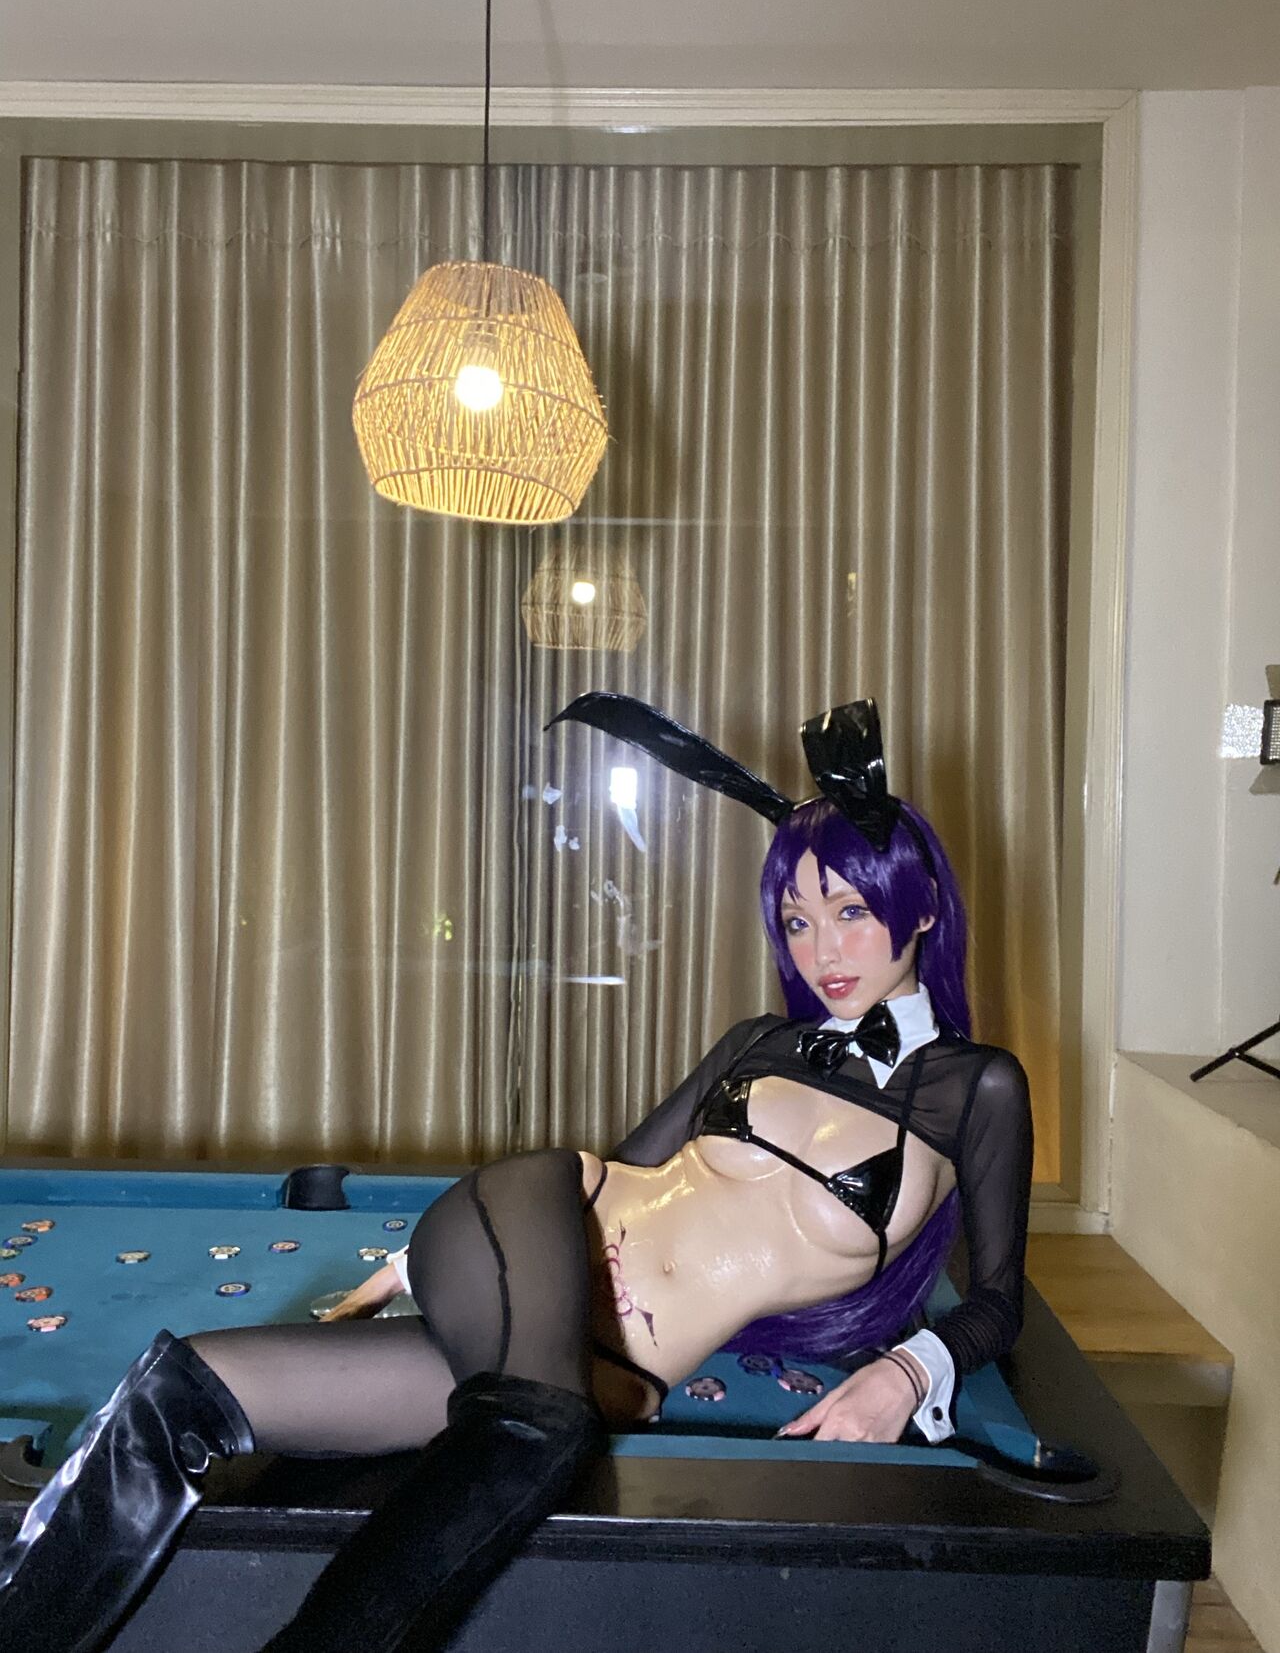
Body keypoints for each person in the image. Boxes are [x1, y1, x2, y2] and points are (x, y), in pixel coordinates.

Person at [0, 695, 1033, 1653]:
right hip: (540, 1224)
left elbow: (996, 1302)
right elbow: (621, 1170)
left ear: (920, 908)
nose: (821, 950)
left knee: (194, 1387)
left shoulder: (977, 1089)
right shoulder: (758, 1040)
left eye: (849, 911)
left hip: (583, 1361)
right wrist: (429, 1266)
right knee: (540, 1425)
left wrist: (908, 1371)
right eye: (798, 920)